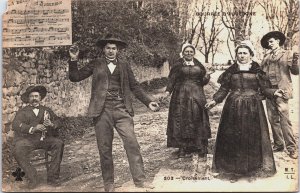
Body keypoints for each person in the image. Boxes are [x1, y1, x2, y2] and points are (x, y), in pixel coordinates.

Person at [68, 34, 160, 192]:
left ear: (118, 50)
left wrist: (148, 101)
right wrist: (73, 59)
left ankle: (140, 180)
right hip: (101, 111)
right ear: (103, 49)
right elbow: (75, 77)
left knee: (132, 144)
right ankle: (109, 184)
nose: (111, 51)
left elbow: (135, 86)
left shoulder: (124, 65)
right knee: (104, 149)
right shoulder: (96, 64)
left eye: (114, 48)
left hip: (121, 109)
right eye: (108, 48)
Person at [205, 40, 282, 182]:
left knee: (252, 136)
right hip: (233, 107)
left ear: (251, 55)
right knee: (233, 138)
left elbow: (264, 89)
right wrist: (215, 100)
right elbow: (224, 89)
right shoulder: (231, 71)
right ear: (236, 55)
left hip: (253, 107)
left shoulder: (257, 70)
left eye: (244, 53)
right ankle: (234, 171)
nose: (242, 56)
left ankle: (251, 169)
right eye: (239, 53)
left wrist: (274, 92)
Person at [162, 43, 212, 162]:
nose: (189, 53)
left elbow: (202, 81)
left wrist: (208, 75)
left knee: (197, 117)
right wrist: (168, 92)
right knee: (181, 119)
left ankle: (200, 146)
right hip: (181, 95)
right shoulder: (178, 65)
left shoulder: (199, 65)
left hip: (197, 94)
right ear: (183, 53)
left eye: (191, 52)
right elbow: (172, 80)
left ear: (194, 53)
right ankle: (183, 148)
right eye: (186, 52)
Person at [12, 85, 64, 189]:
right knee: (17, 149)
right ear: (28, 99)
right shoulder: (23, 111)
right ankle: (33, 177)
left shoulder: (47, 110)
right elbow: (16, 125)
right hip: (28, 140)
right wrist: (33, 128)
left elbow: (59, 122)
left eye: (36, 96)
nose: (34, 98)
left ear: (40, 98)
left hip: (45, 139)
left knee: (58, 143)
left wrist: (52, 124)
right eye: (32, 96)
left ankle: (53, 178)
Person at [260, 31, 299, 159]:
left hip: (282, 91)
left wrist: (295, 60)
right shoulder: (266, 57)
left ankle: (291, 148)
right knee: (273, 120)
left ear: (278, 41)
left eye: (271, 41)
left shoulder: (287, 54)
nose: (269, 44)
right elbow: (261, 75)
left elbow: (295, 71)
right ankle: (278, 144)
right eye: (268, 43)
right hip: (270, 92)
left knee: (285, 121)